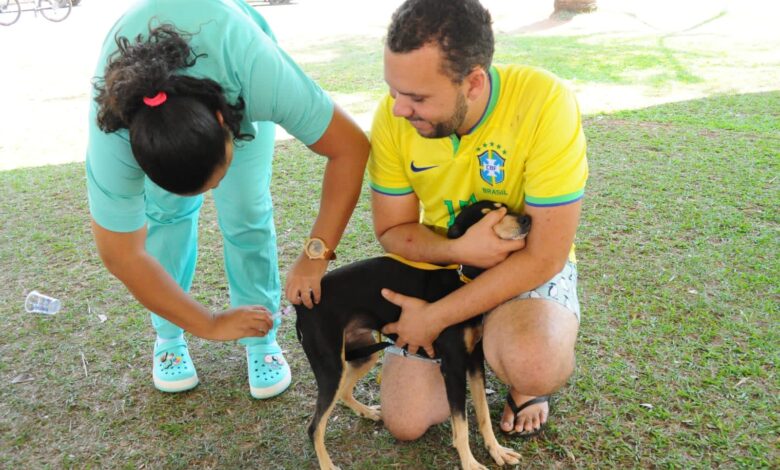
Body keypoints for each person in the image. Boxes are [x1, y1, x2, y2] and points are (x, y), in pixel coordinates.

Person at [86, 0, 368, 399]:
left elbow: (351, 147)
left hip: (229, 72)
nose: (212, 193)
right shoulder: (112, 133)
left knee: (246, 208)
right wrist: (209, 322)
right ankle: (168, 336)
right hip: (160, 109)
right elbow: (121, 254)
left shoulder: (256, 73)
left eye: (213, 179)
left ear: (223, 122)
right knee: (166, 215)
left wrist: (315, 255)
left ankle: (260, 334)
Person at [368, 0, 587, 438]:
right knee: (405, 423)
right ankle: (481, 331)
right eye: (394, 90)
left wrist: (434, 318)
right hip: (444, 267)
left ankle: (518, 368)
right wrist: (457, 251)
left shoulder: (546, 102)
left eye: (416, 97)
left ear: (472, 83)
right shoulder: (393, 120)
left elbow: (546, 256)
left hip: (521, 267)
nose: (397, 110)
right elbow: (392, 231)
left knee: (535, 363)